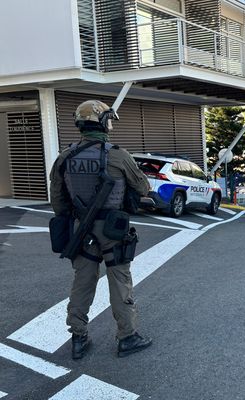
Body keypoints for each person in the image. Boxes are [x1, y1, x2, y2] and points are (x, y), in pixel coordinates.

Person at [49, 100, 152, 359]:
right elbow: (142, 188)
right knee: (119, 282)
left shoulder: (65, 157)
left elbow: (58, 201)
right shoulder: (118, 154)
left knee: (82, 283)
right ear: (102, 122)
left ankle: (78, 337)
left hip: (80, 231)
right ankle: (127, 337)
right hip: (113, 230)